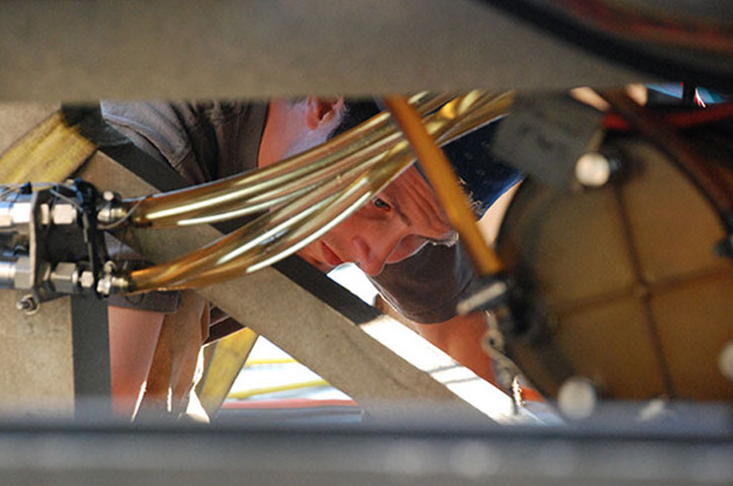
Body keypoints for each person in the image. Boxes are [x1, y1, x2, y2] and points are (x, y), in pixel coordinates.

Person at [100, 97, 521, 417]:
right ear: (322, 105)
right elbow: (102, 425)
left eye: (421, 236)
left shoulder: (405, 197)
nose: (372, 260)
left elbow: (471, 377)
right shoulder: (145, 150)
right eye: (378, 203)